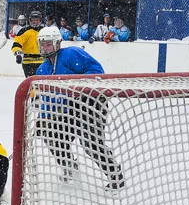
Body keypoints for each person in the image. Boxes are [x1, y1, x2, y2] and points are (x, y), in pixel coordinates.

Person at [34, 26, 124, 190]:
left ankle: (115, 176)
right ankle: (70, 169)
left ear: (57, 43)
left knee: (90, 141)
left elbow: (97, 71)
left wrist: (79, 89)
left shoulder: (71, 53)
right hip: (68, 110)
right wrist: (42, 119)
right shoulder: (42, 69)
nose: (45, 48)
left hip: (90, 103)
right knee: (52, 136)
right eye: (42, 44)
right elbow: (47, 100)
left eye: (48, 44)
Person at [11, 10, 45, 77]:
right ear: (30, 20)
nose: (35, 22)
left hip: (42, 62)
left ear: (40, 20)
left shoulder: (44, 31)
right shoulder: (24, 31)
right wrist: (18, 53)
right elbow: (16, 44)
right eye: (33, 20)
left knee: (42, 83)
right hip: (28, 63)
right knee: (31, 83)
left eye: (37, 20)